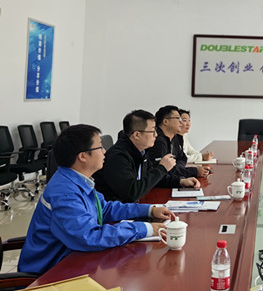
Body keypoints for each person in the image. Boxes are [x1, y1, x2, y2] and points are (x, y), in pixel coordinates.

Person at [18, 124, 175, 275]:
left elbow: (104, 209)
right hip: (49, 273)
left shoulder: (79, 180)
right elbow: (89, 237)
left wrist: (149, 210)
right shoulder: (65, 194)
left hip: (73, 259)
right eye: (99, 147)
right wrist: (144, 229)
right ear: (83, 156)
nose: (104, 151)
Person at [94, 110, 198, 203]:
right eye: (152, 131)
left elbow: (152, 179)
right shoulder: (118, 157)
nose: (156, 135)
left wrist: (180, 181)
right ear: (137, 135)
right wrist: (162, 168)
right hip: (116, 212)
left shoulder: (142, 152)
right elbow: (132, 193)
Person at [147, 105, 208, 185]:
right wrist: (194, 171)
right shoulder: (157, 141)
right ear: (165, 121)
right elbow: (163, 171)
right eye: (178, 118)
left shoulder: (174, 137)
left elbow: (183, 158)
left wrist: (176, 168)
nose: (181, 122)